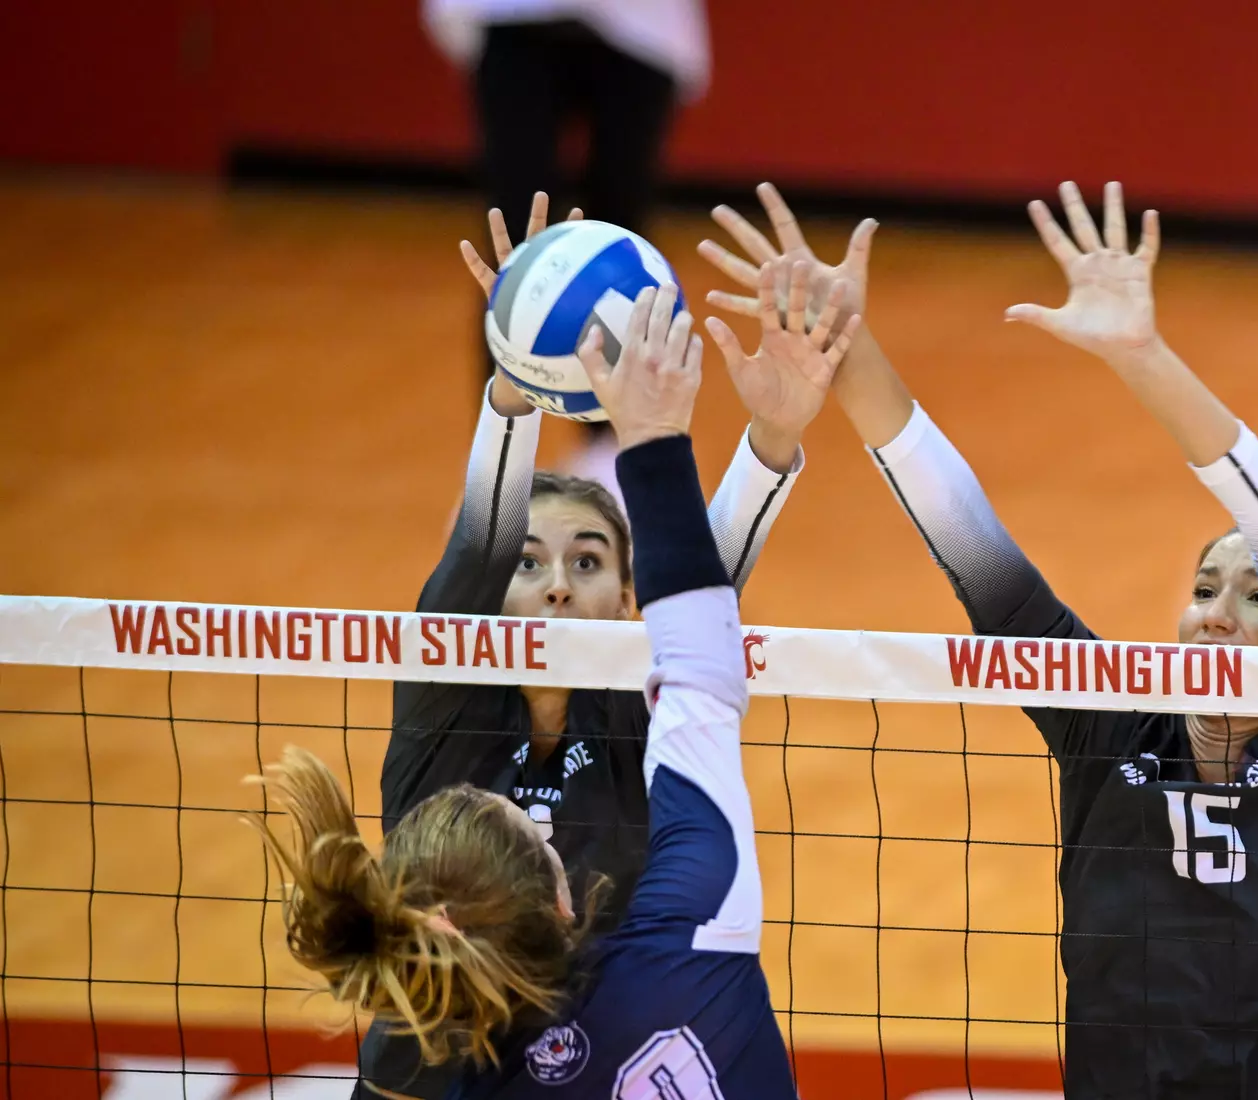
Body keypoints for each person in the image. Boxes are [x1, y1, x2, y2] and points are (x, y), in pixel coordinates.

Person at [699, 180, 1258, 1099]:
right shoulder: (1110, 732)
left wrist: (1142, 356)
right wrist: (848, 351)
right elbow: (977, 555)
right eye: (1202, 588)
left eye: (1257, 596)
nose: (1213, 613)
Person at [256, 277, 859, 1099]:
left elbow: (701, 604)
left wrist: (772, 436)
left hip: (591, 1055)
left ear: (627, 599)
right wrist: (514, 371)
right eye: (528, 563)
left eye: (586, 561)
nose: (556, 587)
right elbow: (472, 556)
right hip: (428, 1079)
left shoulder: (632, 723)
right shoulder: (444, 714)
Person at [422, 0, 709, 493]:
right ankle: (500, 463)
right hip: (511, 19)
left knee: (624, 246)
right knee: (512, 247)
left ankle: (617, 449)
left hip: (643, 25)